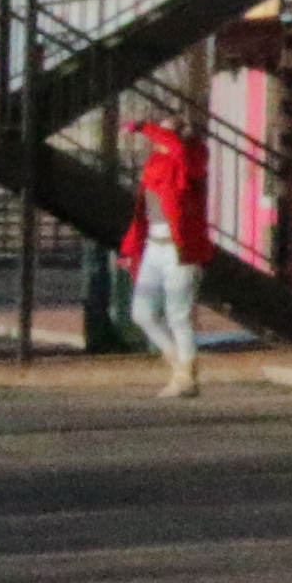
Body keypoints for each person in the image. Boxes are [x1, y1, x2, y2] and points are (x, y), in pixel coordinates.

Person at [121, 107, 203, 401]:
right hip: (153, 248)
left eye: (166, 133)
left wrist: (142, 125)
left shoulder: (188, 159)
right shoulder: (156, 164)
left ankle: (186, 377)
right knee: (141, 313)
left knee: (178, 316)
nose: (160, 139)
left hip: (178, 250)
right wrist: (129, 250)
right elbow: (141, 216)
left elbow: (177, 147)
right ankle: (178, 366)